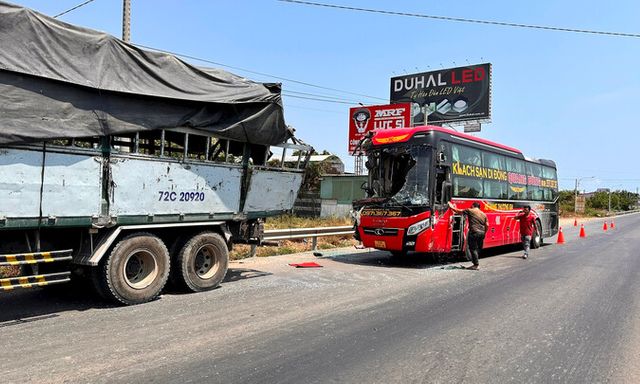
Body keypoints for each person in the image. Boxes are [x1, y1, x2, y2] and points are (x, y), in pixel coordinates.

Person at [448, 201, 488, 270]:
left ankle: (476, 265)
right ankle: (475, 261)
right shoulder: (483, 214)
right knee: (478, 248)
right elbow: (487, 225)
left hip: (474, 232)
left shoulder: (470, 210)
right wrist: (484, 232)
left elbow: (459, 211)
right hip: (482, 233)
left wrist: (451, 207)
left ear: (473, 206)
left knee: (472, 248)